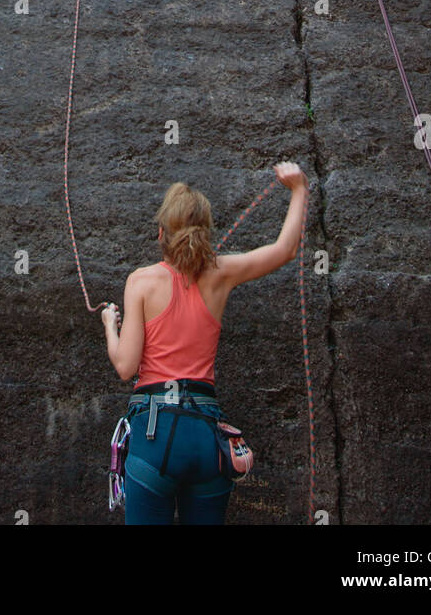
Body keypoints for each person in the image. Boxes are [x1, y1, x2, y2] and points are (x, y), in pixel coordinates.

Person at [102, 161, 309, 526]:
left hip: (155, 433)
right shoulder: (221, 274)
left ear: (161, 233)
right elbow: (285, 250)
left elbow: (125, 366)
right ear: (205, 232)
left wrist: (110, 325)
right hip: (206, 436)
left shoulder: (142, 282)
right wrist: (298, 189)